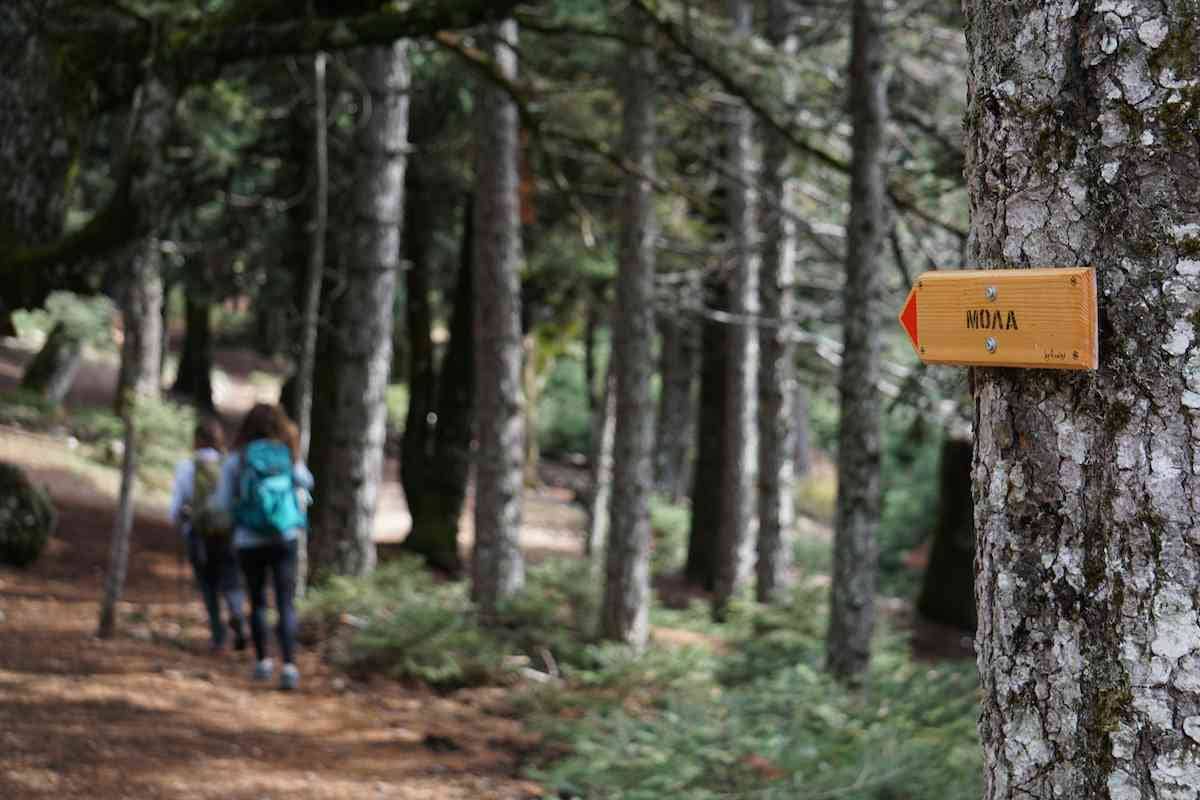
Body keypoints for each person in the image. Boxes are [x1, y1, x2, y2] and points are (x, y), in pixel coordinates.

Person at [210, 403, 313, 691]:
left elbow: (221, 502)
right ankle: (290, 666)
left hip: (248, 539)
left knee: (257, 601)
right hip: (285, 536)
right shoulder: (287, 453)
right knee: (285, 602)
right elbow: (307, 482)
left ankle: (264, 662)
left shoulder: (238, 459)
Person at [169, 417, 247, 653]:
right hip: (228, 534)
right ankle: (236, 613)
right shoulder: (229, 464)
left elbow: (175, 508)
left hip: (199, 535)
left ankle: (218, 637)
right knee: (231, 579)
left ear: (196, 441)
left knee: (208, 585)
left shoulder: (187, 467)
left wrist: (179, 522)